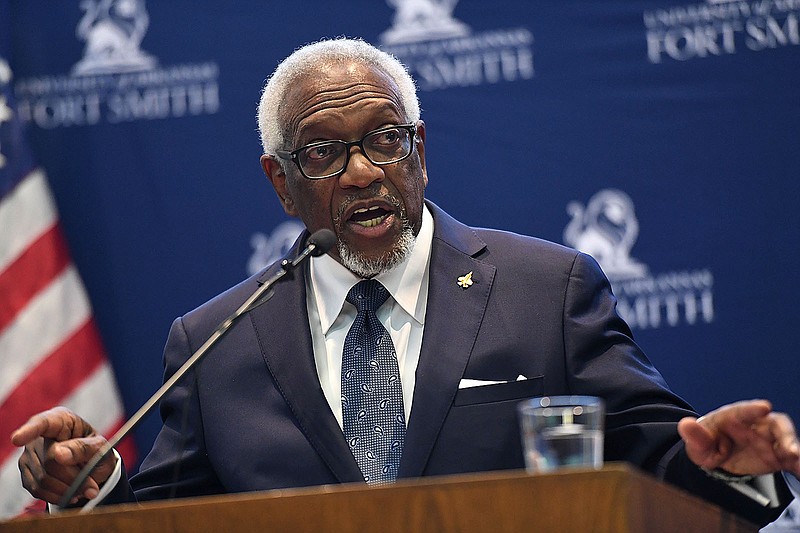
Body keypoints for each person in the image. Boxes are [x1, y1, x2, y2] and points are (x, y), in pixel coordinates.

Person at [11, 37, 800, 526]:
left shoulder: (547, 291)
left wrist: (731, 469)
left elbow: (660, 462)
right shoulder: (214, 342)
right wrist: (95, 481)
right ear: (280, 183)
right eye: (322, 153)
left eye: (384, 139)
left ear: (418, 148)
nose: (362, 173)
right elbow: (172, 523)